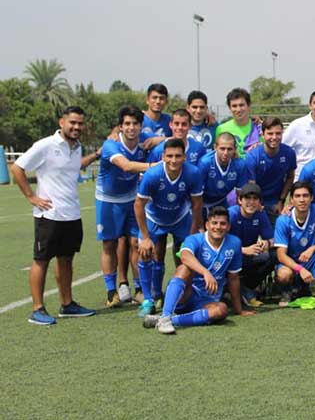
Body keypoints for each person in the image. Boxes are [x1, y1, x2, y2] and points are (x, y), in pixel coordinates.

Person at [11, 106, 98, 325]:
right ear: (61, 122)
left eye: (80, 123)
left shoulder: (77, 147)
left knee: (66, 259)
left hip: (72, 214)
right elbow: (18, 168)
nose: (76, 127)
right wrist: (31, 196)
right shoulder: (46, 145)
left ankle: (67, 304)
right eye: (72, 122)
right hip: (49, 215)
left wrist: (97, 154)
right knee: (41, 260)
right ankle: (37, 309)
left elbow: (74, 167)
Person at [142, 206, 254, 334]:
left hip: (208, 301)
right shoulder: (194, 239)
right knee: (184, 268)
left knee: (221, 310)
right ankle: (166, 314)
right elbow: (184, 256)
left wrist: (238, 309)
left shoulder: (234, 243)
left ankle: (167, 320)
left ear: (228, 226)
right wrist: (205, 272)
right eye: (214, 223)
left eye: (222, 224)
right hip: (186, 295)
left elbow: (233, 278)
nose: (218, 227)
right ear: (207, 225)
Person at [134, 138, 204, 317]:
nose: (174, 160)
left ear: (184, 157)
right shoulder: (152, 174)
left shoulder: (193, 173)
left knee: (190, 254)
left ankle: (187, 296)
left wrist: (194, 232)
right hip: (154, 218)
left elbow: (197, 204)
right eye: (170, 156)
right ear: (163, 156)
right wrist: (145, 236)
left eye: (178, 156)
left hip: (180, 219)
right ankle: (150, 298)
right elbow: (138, 205)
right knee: (145, 252)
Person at [94, 106, 152, 308]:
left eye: (135, 123)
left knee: (136, 243)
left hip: (131, 199)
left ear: (140, 126)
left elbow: (171, 140)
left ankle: (139, 289)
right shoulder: (111, 145)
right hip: (108, 201)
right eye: (127, 123)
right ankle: (111, 292)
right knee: (109, 244)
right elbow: (127, 166)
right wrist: (155, 166)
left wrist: (160, 141)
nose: (131, 127)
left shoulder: (145, 141)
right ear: (120, 126)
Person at [274, 182, 315, 301]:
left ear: (311, 198)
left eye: (305, 195)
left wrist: (312, 249)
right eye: (297, 196)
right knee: (284, 274)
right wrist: (300, 269)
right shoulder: (283, 220)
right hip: (291, 262)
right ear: (291, 200)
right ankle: (288, 291)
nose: (302, 200)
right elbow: (281, 255)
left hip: (311, 259)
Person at [228, 183, 276, 308]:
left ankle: (245, 287)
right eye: (247, 198)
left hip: (248, 258)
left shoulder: (260, 214)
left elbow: (272, 239)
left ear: (260, 202)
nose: (251, 202)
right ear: (239, 200)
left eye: (255, 199)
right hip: (229, 257)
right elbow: (218, 243)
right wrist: (243, 250)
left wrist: (266, 243)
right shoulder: (231, 215)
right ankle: (231, 289)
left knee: (272, 256)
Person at [245, 116, 297, 223]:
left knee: (278, 236)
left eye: (278, 133)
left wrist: (281, 200)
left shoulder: (289, 153)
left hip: (276, 203)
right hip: (256, 203)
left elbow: (290, 176)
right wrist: (256, 204)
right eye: (270, 133)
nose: (274, 137)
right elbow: (251, 184)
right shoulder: (253, 156)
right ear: (263, 134)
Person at [197, 132, 247, 215]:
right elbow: (197, 196)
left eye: (229, 149)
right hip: (202, 203)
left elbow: (240, 195)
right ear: (215, 147)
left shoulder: (240, 164)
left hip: (221, 201)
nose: (226, 153)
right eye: (222, 148)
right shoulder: (205, 163)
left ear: (235, 148)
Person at [215, 88, 261, 158]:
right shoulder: (221, 129)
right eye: (234, 106)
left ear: (249, 105)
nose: (238, 109)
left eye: (241, 105)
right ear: (229, 107)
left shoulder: (259, 127)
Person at [140, 83, 171, 149]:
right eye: (154, 98)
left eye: (161, 98)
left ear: (166, 102)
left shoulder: (169, 120)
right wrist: (115, 132)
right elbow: (121, 128)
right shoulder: (138, 117)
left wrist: (161, 139)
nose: (158, 101)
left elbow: (179, 139)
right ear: (147, 100)